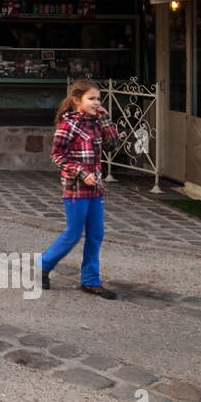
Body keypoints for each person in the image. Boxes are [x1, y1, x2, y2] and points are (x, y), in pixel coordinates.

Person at [42, 80, 122, 299]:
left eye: (98, 98)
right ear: (77, 100)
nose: (96, 102)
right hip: (75, 188)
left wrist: (105, 119)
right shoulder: (69, 124)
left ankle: (90, 281)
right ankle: (44, 264)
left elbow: (113, 145)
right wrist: (80, 172)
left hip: (95, 188)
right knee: (73, 233)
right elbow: (57, 155)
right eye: (91, 98)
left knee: (96, 234)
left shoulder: (97, 122)